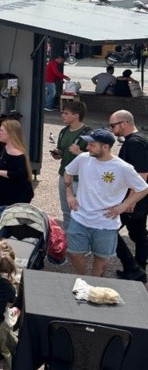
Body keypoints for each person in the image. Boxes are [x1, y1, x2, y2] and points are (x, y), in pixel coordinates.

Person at [64, 128, 148, 277]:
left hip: (105, 224)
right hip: (80, 217)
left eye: (92, 145)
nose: (87, 147)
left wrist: (123, 206)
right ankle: (82, 279)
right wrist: (69, 194)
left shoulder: (123, 167)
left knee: (101, 259)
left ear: (105, 147)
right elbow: (68, 172)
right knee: (75, 254)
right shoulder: (83, 158)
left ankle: (95, 283)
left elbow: (143, 188)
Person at [110, 110, 148, 282]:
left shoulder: (135, 143)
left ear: (124, 123)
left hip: (135, 197)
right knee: (138, 232)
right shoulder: (137, 139)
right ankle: (138, 269)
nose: (112, 129)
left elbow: (142, 173)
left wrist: (130, 200)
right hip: (138, 197)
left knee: (108, 228)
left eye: (113, 125)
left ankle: (133, 267)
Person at [49, 101, 91, 226]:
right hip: (64, 175)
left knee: (80, 210)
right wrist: (58, 154)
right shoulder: (63, 132)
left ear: (76, 115)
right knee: (66, 209)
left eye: (66, 113)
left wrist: (80, 153)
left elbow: (96, 158)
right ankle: (68, 236)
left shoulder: (88, 134)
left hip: (80, 179)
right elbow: (62, 150)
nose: (62, 115)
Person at [0, 119, 34, 207]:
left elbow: (18, 173)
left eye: (1, 130)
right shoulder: (6, 148)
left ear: (10, 133)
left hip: (15, 196)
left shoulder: (16, 153)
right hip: (4, 193)